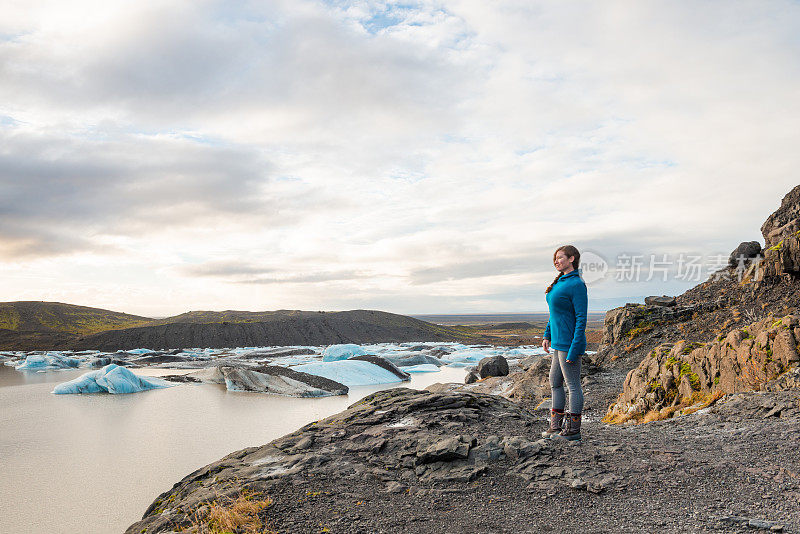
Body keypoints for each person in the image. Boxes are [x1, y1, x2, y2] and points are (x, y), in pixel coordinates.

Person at [540, 245, 588, 441]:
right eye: (555, 258)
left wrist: (574, 349)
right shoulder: (560, 282)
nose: (556, 261)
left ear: (572, 258)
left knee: (573, 386)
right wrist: (547, 335)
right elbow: (554, 314)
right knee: (555, 383)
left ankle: (573, 431)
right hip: (558, 343)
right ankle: (555, 426)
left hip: (569, 344)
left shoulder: (577, 284)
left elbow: (581, 318)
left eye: (560, 258)